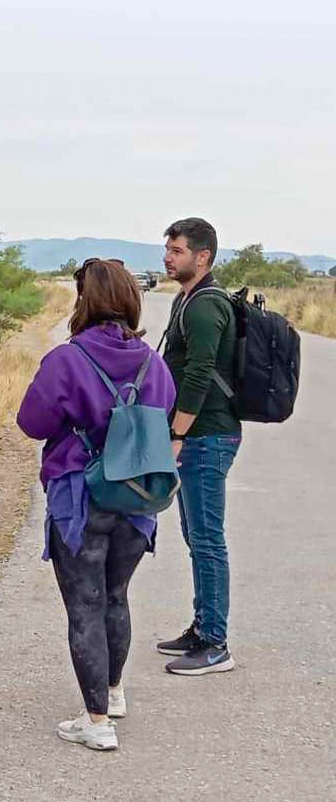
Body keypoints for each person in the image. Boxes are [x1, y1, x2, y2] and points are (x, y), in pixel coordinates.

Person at [16, 259, 177, 752]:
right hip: (136, 499)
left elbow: (32, 422)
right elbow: (166, 413)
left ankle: (96, 721)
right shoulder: (153, 361)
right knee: (115, 596)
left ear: (82, 300)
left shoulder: (67, 360)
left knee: (84, 603)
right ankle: (112, 691)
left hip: (80, 496)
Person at [158, 217, 240, 675]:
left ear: (202, 256)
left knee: (208, 539)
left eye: (176, 250)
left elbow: (200, 373)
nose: (168, 257)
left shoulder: (206, 307)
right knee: (196, 535)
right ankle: (202, 625)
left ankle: (216, 643)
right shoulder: (187, 299)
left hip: (207, 435)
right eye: (168, 249)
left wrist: (177, 434)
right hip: (200, 435)